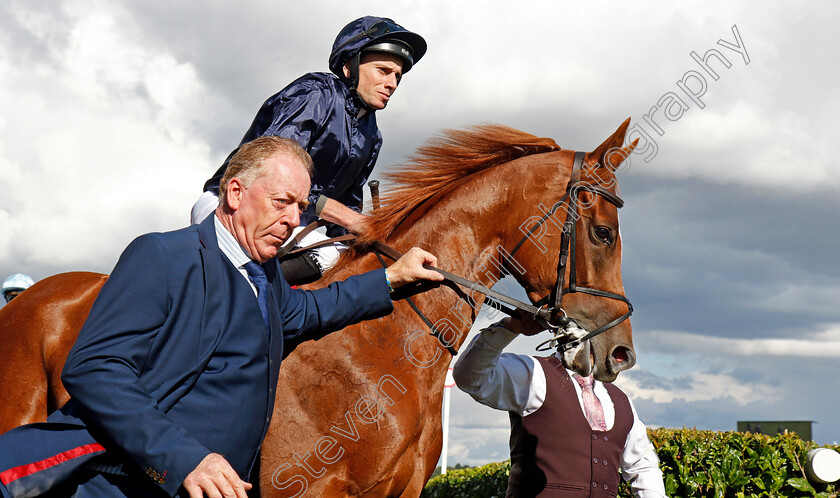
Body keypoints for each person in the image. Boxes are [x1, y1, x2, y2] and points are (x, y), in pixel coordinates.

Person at [0, 136, 443, 498]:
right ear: (235, 193)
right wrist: (182, 458)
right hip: (127, 484)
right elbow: (95, 369)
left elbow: (309, 310)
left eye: (300, 207)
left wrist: (390, 279)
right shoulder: (162, 255)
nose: (292, 220)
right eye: (281, 202)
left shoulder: (265, 275)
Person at [191, 16, 427, 284]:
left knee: (353, 256)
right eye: (383, 71)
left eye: (397, 76)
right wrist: (350, 218)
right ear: (350, 67)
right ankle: (246, 296)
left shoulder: (372, 135)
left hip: (296, 224)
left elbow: (349, 205)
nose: (392, 84)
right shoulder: (316, 94)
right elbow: (273, 176)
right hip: (235, 206)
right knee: (332, 256)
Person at [453, 316, 667, 498]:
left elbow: (642, 465)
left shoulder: (621, 401)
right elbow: (469, 377)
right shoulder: (534, 373)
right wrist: (509, 328)